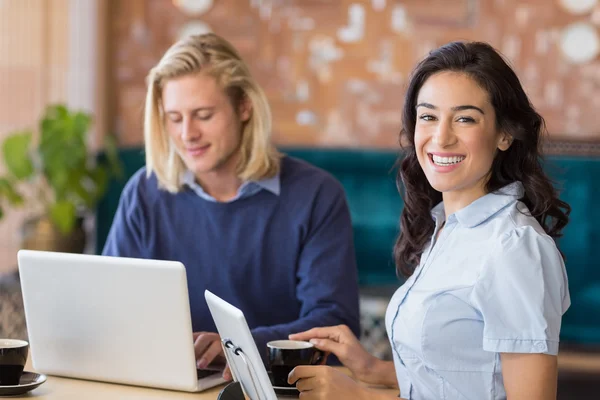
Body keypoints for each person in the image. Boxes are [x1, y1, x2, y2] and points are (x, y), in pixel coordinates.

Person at [289, 41, 571, 400]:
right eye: (428, 116)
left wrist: (362, 397)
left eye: (465, 118)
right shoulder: (447, 227)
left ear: (505, 134)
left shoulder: (513, 246)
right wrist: (372, 370)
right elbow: (466, 380)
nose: (441, 137)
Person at [102, 33, 360, 378]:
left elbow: (333, 324)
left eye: (203, 115)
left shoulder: (315, 195)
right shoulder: (144, 194)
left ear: (243, 107)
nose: (187, 134)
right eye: (174, 119)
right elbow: (108, 306)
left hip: (278, 388)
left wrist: (240, 346)